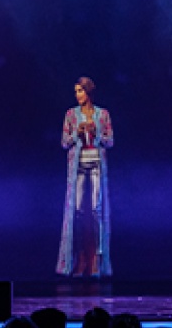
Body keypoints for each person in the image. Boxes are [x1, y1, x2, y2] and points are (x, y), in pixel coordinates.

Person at [56, 77, 114, 278]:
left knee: (97, 210)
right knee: (78, 210)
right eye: (76, 91)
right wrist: (76, 134)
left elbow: (110, 141)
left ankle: (97, 257)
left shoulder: (102, 114)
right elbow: (64, 142)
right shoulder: (71, 115)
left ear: (88, 92)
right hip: (78, 165)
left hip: (96, 163)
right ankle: (80, 257)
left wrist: (96, 134)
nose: (77, 95)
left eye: (80, 91)